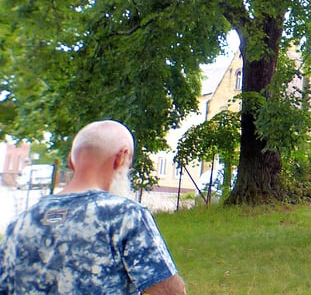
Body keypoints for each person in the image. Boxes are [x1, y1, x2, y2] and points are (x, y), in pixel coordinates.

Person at [0, 120, 186, 295]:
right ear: (121, 158)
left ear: (71, 161)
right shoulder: (125, 216)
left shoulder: (20, 222)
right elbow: (167, 291)